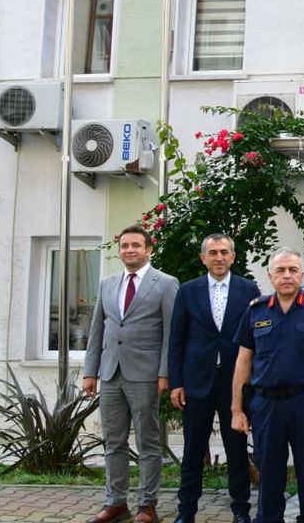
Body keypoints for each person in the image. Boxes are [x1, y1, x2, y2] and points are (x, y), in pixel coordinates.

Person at [230, 248, 304, 523]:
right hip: (266, 405)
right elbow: (243, 362)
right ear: (270, 276)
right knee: (269, 473)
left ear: (302, 275)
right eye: (280, 270)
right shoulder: (255, 311)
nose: (287, 275)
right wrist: (237, 409)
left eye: (293, 270)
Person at [83, 224, 178, 523]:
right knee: (113, 442)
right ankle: (115, 503)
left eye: (136, 245)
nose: (129, 250)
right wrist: (90, 371)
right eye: (125, 246)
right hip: (111, 373)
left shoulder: (166, 283)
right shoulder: (107, 284)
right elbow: (97, 330)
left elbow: (171, 334)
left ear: (148, 249)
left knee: (148, 443)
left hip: (146, 375)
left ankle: (147, 505)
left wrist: (165, 373)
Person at [168, 233, 259, 523]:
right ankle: (186, 512)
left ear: (233, 256)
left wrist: (254, 381)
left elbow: (256, 338)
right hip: (197, 382)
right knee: (193, 450)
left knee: (236, 449)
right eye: (213, 252)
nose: (219, 257)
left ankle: (241, 510)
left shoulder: (248, 289)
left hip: (235, 383)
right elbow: (176, 340)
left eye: (224, 252)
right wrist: (176, 382)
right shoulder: (188, 291)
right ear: (203, 258)